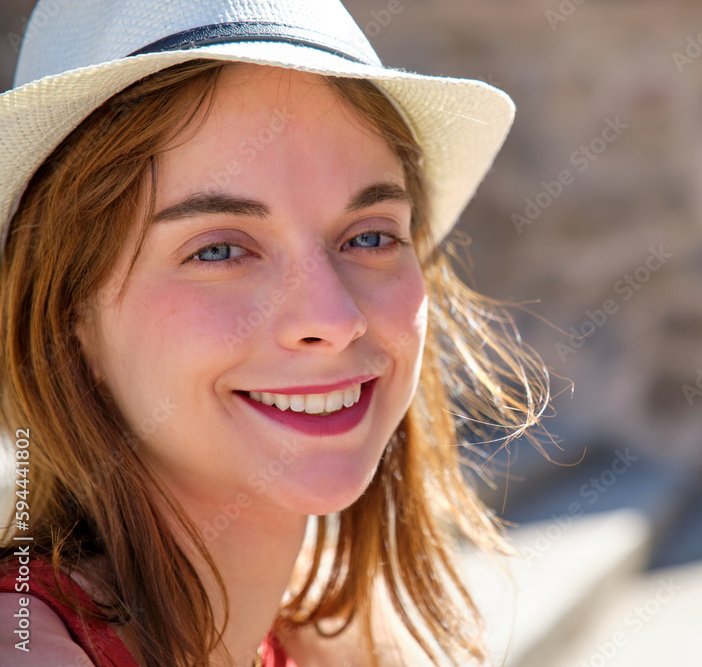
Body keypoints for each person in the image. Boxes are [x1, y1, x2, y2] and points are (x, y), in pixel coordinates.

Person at [0, 1, 550, 665]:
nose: (332, 317)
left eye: (371, 236)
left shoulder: (333, 633)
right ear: (68, 320)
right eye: (221, 250)